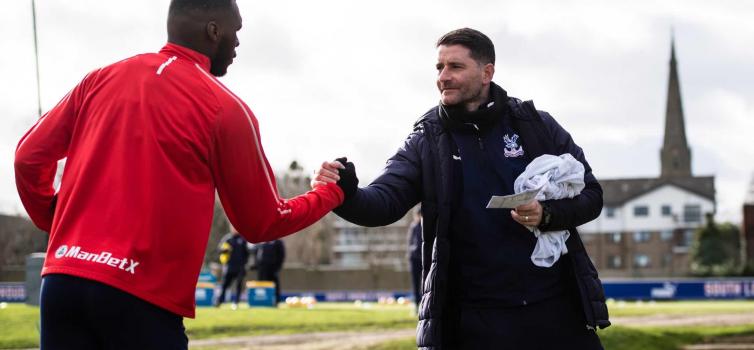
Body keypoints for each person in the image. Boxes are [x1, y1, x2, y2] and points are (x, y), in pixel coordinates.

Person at [14, 1, 351, 348]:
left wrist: (55, 222)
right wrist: (330, 193)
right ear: (214, 31)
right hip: (139, 298)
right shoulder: (226, 109)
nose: (237, 44)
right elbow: (262, 221)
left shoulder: (98, 80)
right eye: (236, 31)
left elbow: (28, 158)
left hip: (62, 283)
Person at [315, 28, 609, 348]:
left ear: (487, 72)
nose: (443, 76)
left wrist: (547, 214)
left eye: (455, 67)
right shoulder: (427, 138)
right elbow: (383, 201)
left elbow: (592, 197)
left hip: (553, 312)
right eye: (439, 68)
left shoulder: (536, 125)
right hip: (473, 321)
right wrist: (346, 192)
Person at [216, 230, 250, 308]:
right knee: (225, 285)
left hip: (240, 267)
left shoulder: (243, 239)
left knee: (238, 285)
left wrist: (245, 264)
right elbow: (219, 250)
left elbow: (247, 253)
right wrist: (225, 250)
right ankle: (219, 301)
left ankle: (236, 302)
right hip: (229, 267)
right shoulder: (227, 239)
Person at [255, 239, 286, 305]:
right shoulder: (261, 241)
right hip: (262, 268)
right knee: (262, 285)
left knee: (274, 285)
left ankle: (276, 301)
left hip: (273, 268)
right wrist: (257, 265)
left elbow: (281, 255)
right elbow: (257, 254)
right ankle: (262, 301)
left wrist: (277, 267)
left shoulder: (278, 242)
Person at [407, 207, 422, 311]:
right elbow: (410, 242)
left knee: (425, 282)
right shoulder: (413, 227)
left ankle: (423, 304)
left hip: (424, 258)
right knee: (415, 283)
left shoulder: (425, 226)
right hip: (414, 258)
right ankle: (416, 305)